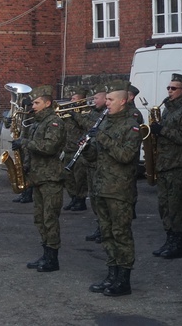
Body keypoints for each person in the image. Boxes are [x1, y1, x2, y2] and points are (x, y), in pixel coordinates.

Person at [86, 80, 143, 297]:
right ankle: (112, 274)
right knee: (107, 234)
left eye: (110, 100)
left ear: (122, 101)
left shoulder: (132, 124)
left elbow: (126, 156)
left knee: (121, 234)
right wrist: (88, 148)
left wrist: (101, 137)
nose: (106, 103)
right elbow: (97, 155)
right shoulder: (105, 123)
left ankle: (124, 280)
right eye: (106, 99)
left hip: (119, 189)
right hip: (101, 186)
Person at [13, 85, 66, 273]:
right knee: (39, 218)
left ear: (47, 103)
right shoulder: (37, 122)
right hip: (38, 177)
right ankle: (45, 253)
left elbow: (49, 148)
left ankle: (52, 258)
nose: (33, 106)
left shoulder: (54, 123)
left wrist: (25, 142)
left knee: (50, 218)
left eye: (36, 103)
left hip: (51, 178)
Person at [149, 73, 182, 259]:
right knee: (165, 205)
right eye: (168, 88)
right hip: (165, 163)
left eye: (173, 88)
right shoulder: (168, 110)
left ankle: (179, 243)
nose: (169, 91)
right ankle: (170, 239)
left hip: (178, 165)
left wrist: (162, 130)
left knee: (176, 206)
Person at [78, 83, 108, 243]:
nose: (94, 101)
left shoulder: (105, 116)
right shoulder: (94, 113)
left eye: (97, 98)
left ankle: (105, 230)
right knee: (94, 198)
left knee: (102, 201)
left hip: (104, 167)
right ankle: (100, 227)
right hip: (92, 161)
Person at [61, 86, 89, 212]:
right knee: (68, 177)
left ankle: (81, 200)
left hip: (80, 151)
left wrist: (76, 115)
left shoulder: (87, 113)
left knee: (80, 177)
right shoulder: (68, 113)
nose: (71, 100)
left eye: (74, 98)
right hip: (68, 149)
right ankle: (73, 198)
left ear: (82, 100)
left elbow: (87, 127)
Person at [127, 84, 144, 219]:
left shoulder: (134, 113)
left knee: (130, 182)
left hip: (131, 153)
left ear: (131, 96)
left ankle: (131, 207)